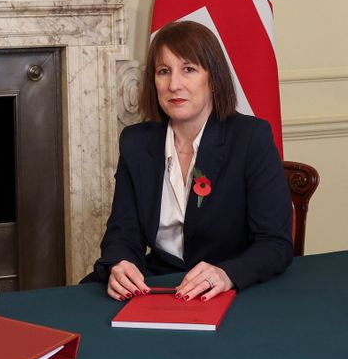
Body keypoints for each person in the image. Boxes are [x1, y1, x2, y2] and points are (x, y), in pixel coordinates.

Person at [85, 20, 293, 302]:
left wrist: (227, 274)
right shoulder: (136, 142)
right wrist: (121, 264)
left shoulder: (250, 138)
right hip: (158, 283)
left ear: (213, 78)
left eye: (189, 69)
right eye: (163, 71)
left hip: (229, 286)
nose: (174, 85)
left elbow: (275, 244)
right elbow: (123, 232)